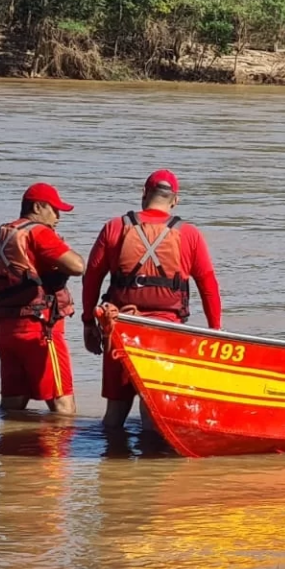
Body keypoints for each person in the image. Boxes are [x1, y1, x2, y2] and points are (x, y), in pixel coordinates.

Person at [82, 169, 223, 434]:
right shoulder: (189, 234)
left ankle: (109, 468)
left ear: (144, 194)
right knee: (155, 411)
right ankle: (152, 469)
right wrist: (214, 332)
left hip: (121, 327)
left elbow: (91, 277)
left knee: (114, 414)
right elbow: (209, 287)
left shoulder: (115, 227)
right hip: (166, 333)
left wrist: (89, 323)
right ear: (175, 200)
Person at [0, 183, 85, 415]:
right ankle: (61, 451)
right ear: (38, 207)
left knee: (13, 405)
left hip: (6, 330)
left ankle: (8, 448)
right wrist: (61, 247)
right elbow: (78, 266)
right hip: (40, 331)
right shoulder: (39, 232)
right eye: (54, 210)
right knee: (62, 407)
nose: (57, 217)